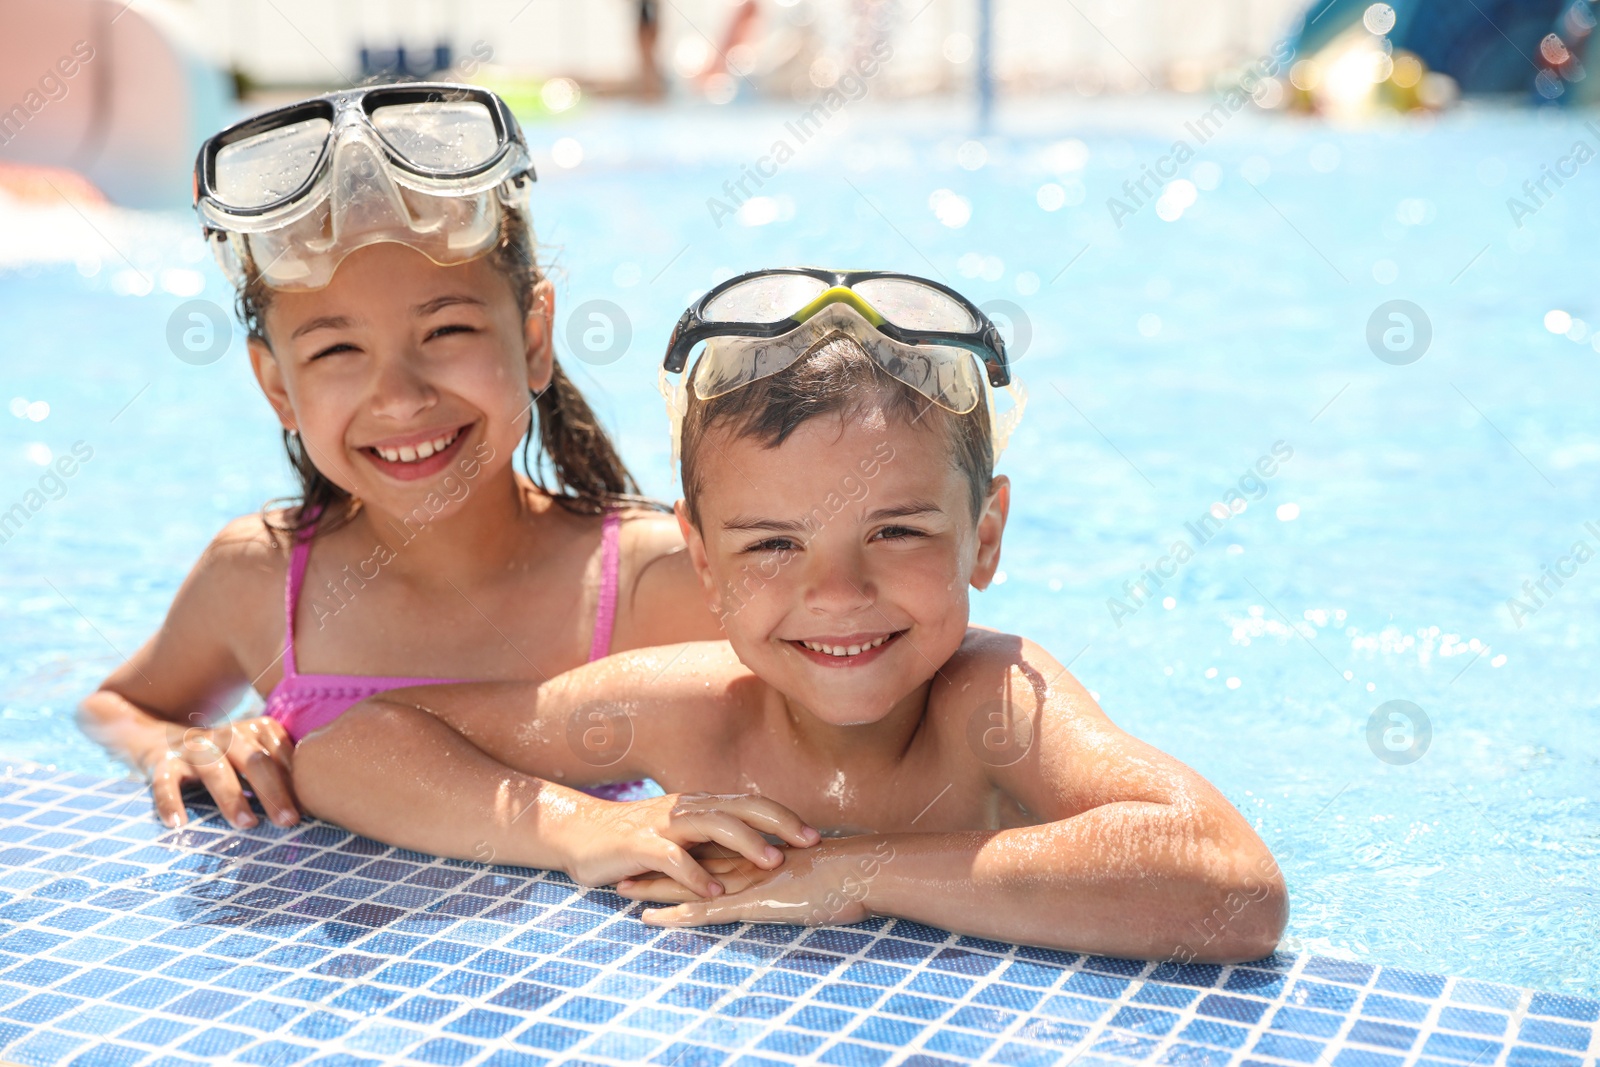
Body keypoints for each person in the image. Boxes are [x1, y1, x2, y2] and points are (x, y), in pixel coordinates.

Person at [296, 270, 1287, 960]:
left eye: (897, 531)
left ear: (984, 534)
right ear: (702, 561)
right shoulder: (687, 708)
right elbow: (347, 746)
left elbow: (1229, 883)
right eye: (773, 543)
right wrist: (587, 827)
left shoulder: (991, 705)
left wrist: (857, 873)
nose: (838, 592)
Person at [75, 85, 817, 895]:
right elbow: (117, 704)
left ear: (533, 339)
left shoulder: (650, 583)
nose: (399, 397)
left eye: (446, 331)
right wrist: (172, 745)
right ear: (276, 387)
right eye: (335, 352)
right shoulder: (258, 580)